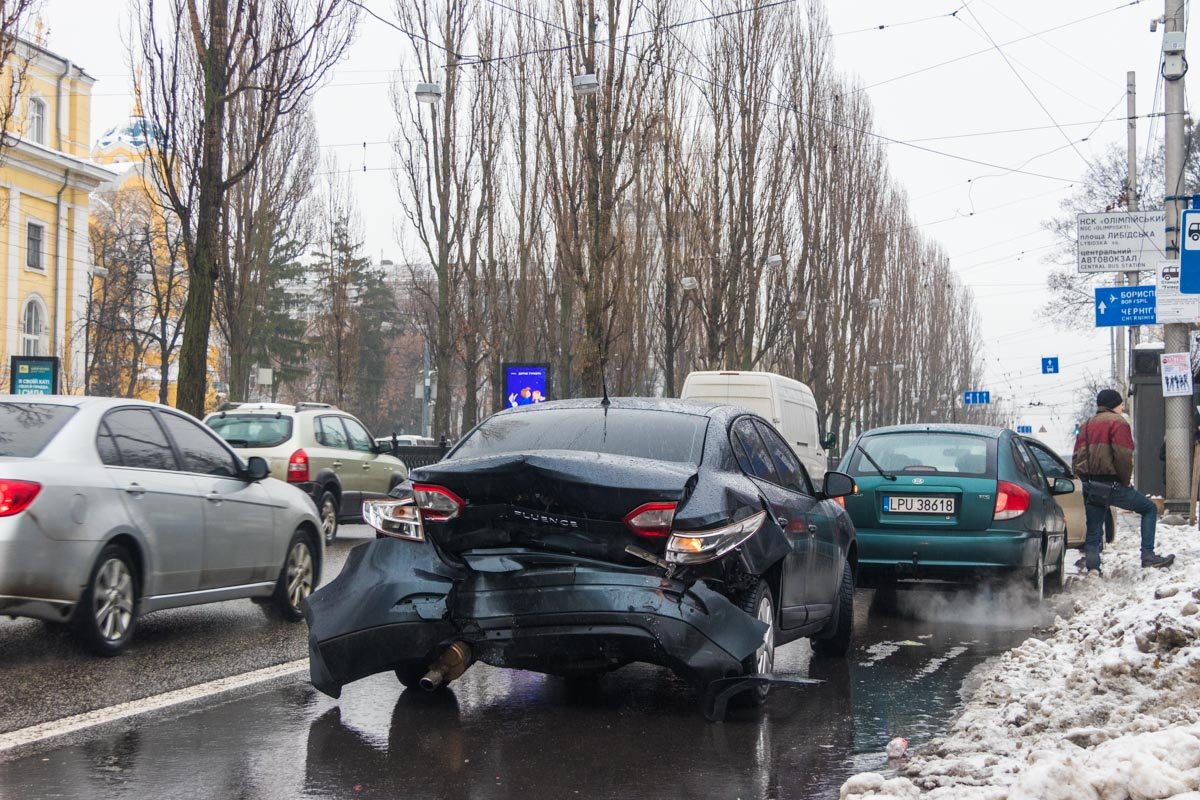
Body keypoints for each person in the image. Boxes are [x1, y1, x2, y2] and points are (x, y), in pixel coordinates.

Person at [1072, 389, 1175, 573]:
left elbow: (1076, 457)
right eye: (1120, 404)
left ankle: (1093, 569)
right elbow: (1123, 455)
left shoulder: (1086, 425)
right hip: (1112, 484)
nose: (1121, 407)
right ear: (1113, 404)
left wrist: (1084, 481)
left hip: (1091, 485)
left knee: (1094, 530)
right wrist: (1125, 481)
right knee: (1149, 508)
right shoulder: (1118, 422)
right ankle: (1148, 555)